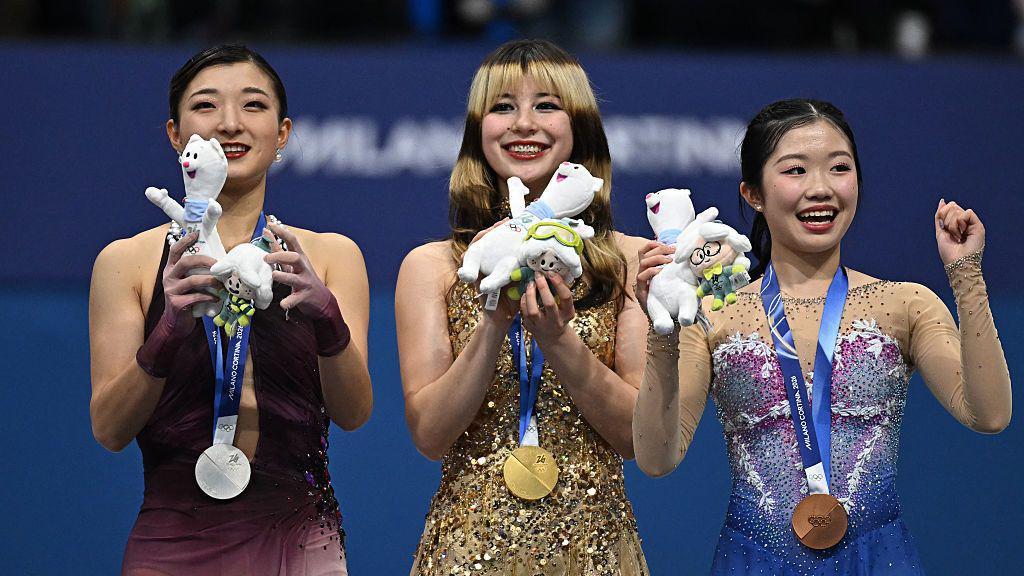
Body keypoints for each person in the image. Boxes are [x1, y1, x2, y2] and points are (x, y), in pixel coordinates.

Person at [632, 98, 1011, 574]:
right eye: (795, 170)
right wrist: (663, 332)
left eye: (839, 168)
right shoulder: (714, 314)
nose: (821, 188)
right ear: (753, 193)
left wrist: (966, 275)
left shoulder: (905, 304)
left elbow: (989, 414)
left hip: (878, 560)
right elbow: (657, 458)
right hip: (754, 561)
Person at [88, 44, 372, 575]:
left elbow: (354, 413)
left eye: (253, 105)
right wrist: (166, 333)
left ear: (282, 134)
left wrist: (328, 321)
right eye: (206, 105)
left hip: (301, 541)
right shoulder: (126, 263)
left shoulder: (330, 256)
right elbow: (109, 428)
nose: (230, 123)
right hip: (171, 543)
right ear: (176, 135)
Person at [396, 39, 650, 575]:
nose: (524, 124)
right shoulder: (433, 267)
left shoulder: (628, 260)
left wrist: (559, 341)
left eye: (547, 105)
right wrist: (493, 320)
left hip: (595, 554)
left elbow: (637, 437)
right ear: (478, 129)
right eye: (503, 106)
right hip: (464, 554)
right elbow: (431, 435)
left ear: (580, 125)